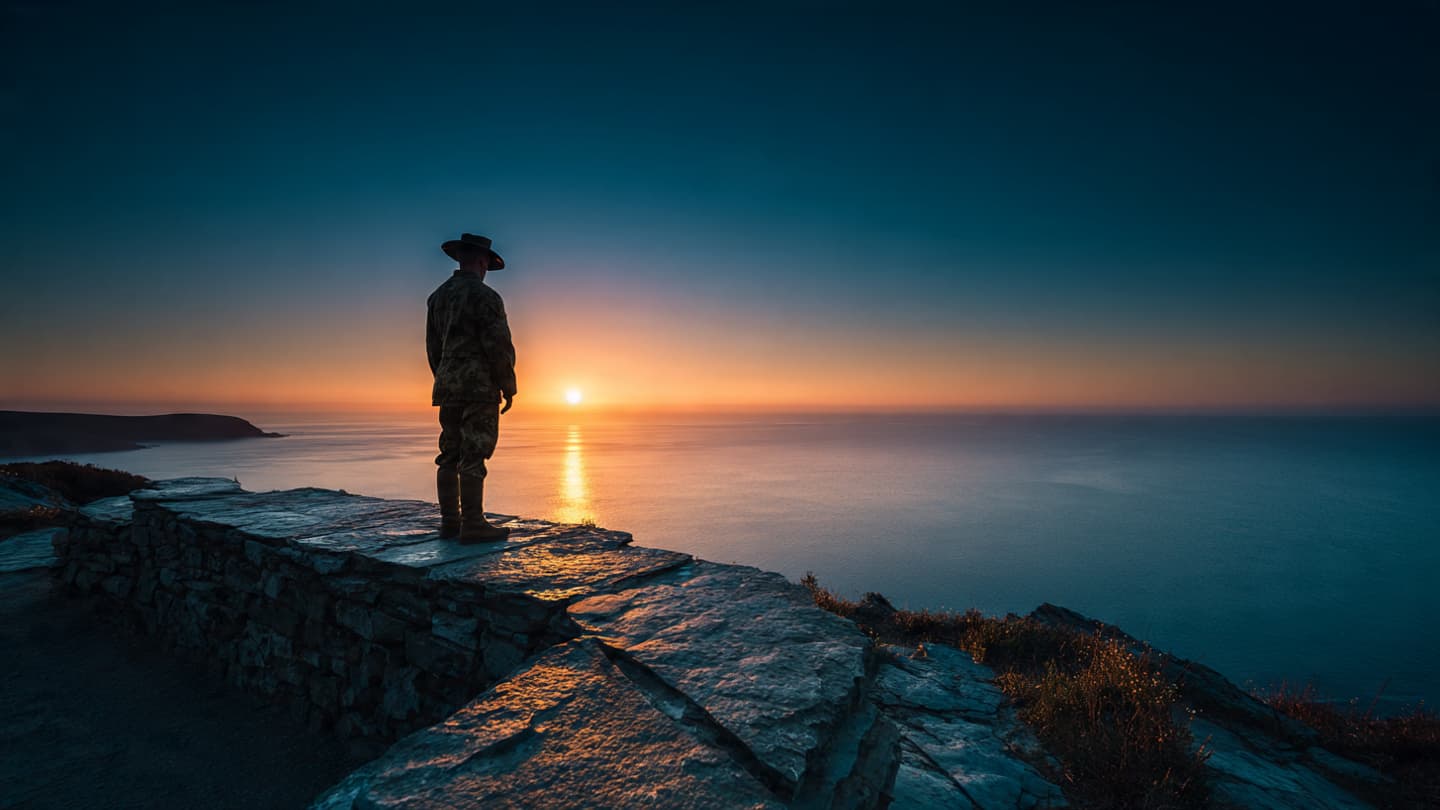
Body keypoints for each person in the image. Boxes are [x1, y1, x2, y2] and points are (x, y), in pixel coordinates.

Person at [427, 233, 517, 543]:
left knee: (449, 452)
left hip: (447, 383)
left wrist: (444, 377)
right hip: (479, 386)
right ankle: (474, 524)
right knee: (474, 452)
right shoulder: (486, 297)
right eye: (487, 265)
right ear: (482, 261)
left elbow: (432, 348)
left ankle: (450, 522)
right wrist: (508, 385)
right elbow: (498, 345)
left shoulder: (437, 297)